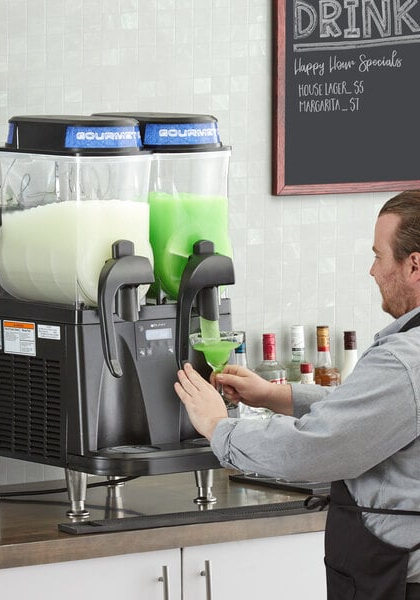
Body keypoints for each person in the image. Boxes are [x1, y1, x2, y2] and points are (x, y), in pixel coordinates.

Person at [174, 190, 420, 600]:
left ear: (415, 264)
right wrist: (278, 395)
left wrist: (219, 427)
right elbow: (385, 414)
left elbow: (317, 450)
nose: (372, 271)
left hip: (400, 582)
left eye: (378, 255)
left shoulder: (405, 359)